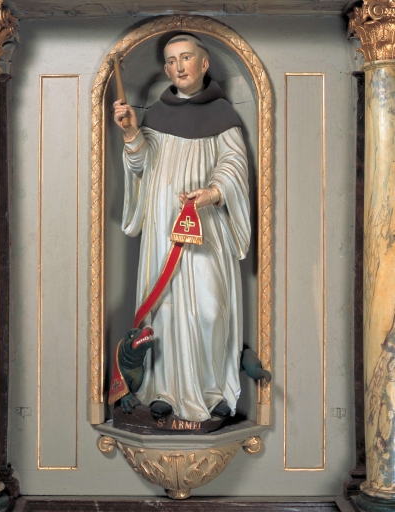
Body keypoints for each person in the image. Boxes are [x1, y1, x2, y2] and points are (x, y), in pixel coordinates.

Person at [113, 33, 251, 423]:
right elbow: (141, 167)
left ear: (203, 64)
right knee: (166, 310)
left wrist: (213, 192)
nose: (178, 66)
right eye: (171, 61)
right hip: (163, 228)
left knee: (210, 310)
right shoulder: (156, 115)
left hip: (206, 228)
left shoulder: (223, 115)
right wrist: (131, 132)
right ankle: (164, 391)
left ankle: (214, 391)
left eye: (186, 57)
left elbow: (234, 165)